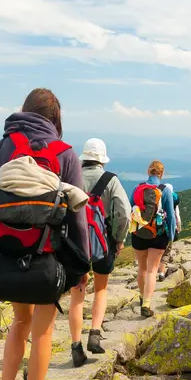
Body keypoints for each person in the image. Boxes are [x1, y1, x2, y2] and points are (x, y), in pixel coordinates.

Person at [0, 88, 88, 380]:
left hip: (6, 254)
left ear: (25, 112)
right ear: (56, 120)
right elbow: (77, 217)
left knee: (18, 322)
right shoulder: (65, 154)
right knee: (42, 331)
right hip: (45, 260)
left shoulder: (4, 147)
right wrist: (81, 267)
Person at [68, 138, 131, 367]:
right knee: (101, 288)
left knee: (77, 294)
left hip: (76, 245)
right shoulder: (110, 180)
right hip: (103, 242)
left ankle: (76, 346)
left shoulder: (71, 177)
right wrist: (118, 239)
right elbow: (123, 212)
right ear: (102, 160)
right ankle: (94, 333)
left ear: (84, 158)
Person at [129, 160, 176, 317]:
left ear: (148, 171)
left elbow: (131, 208)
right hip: (159, 234)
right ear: (161, 174)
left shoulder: (137, 188)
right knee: (152, 269)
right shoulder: (165, 190)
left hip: (139, 233)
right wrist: (170, 236)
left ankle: (142, 298)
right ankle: (147, 304)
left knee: (142, 268)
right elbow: (171, 215)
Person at [157, 185, 181, 282]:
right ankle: (161, 273)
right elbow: (176, 216)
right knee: (166, 252)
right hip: (169, 230)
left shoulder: (158, 197)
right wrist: (178, 228)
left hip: (158, 229)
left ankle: (151, 272)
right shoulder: (173, 201)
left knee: (155, 251)